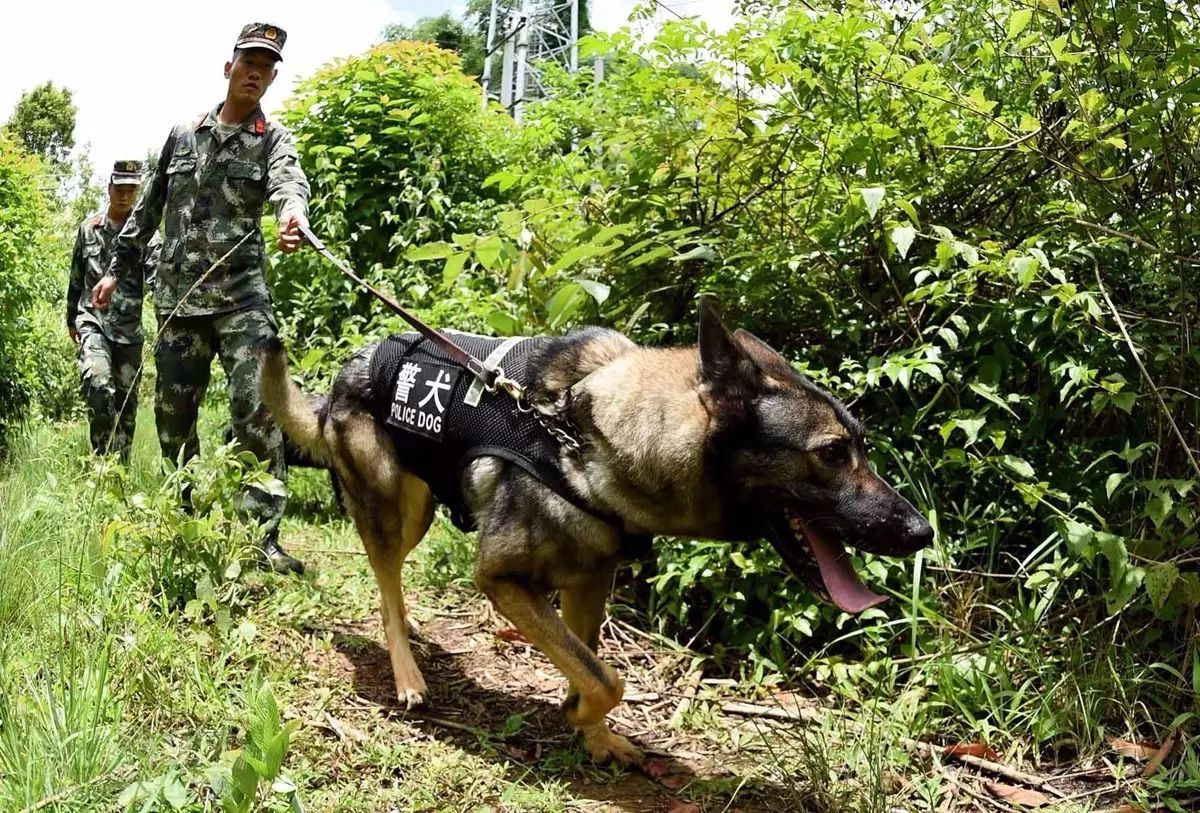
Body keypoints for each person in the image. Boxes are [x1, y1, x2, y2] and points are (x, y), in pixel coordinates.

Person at [94, 22, 310, 574]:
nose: (257, 72)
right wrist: (117, 271)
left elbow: (290, 183)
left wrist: (292, 214)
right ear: (228, 66)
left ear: (272, 76)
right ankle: (182, 514)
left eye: (268, 65)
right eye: (249, 61)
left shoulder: (272, 139)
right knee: (173, 420)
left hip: (242, 300)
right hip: (178, 301)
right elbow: (147, 211)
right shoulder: (182, 135)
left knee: (258, 411)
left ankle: (259, 540)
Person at [66, 159, 159, 461]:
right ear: (109, 188)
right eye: (120, 188)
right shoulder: (88, 229)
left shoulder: (146, 236)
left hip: (129, 332)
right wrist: (71, 319)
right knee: (98, 382)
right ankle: (100, 459)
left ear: (137, 192)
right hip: (93, 321)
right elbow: (76, 277)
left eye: (131, 189)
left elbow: (158, 275)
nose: (124, 194)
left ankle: (119, 471)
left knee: (127, 408)